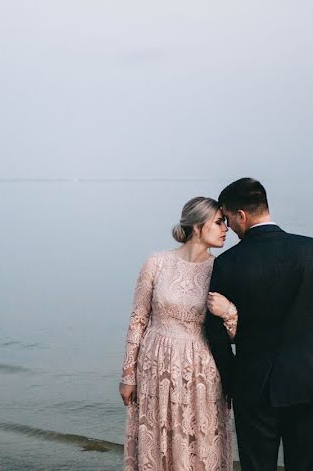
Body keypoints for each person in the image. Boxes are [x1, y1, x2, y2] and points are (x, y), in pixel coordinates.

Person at [205, 178, 313, 471]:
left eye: (228, 219)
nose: (228, 227)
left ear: (241, 215)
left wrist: (231, 383)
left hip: (253, 385)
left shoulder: (228, 263)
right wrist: (299, 333)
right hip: (309, 380)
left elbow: (215, 332)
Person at [119, 196, 238, 471]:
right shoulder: (156, 262)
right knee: (156, 442)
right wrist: (128, 375)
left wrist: (230, 311)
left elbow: (234, 333)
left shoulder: (222, 269)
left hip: (201, 369)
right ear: (197, 226)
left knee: (198, 442)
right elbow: (138, 319)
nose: (226, 229)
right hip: (154, 365)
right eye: (219, 222)